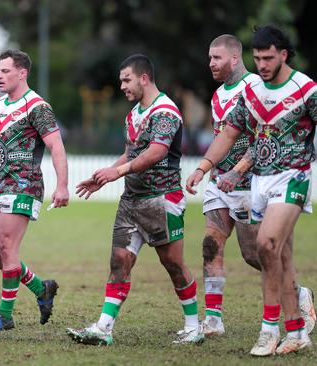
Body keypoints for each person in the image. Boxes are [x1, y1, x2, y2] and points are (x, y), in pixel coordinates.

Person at [186, 25, 316, 356]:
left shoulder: (306, 89)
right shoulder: (251, 94)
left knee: (265, 244)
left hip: (293, 177)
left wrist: (237, 170)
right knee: (276, 257)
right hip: (261, 183)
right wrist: (204, 167)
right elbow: (229, 133)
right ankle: (297, 330)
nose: (261, 64)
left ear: (284, 55)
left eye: (268, 58)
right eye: (257, 58)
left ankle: (268, 329)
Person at [67, 54, 203, 346]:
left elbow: (156, 152)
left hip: (162, 199)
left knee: (173, 264)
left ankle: (194, 326)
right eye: (120, 81)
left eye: (126, 80)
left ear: (144, 78)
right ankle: (104, 327)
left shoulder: (166, 110)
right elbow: (131, 153)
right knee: (119, 262)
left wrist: (117, 172)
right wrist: (106, 175)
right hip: (131, 201)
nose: (122, 86)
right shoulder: (133, 115)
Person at [0, 49, 69, 331]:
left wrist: (62, 185)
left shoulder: (37, 106)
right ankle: (42, 288)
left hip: (25, 185)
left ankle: (4, 315)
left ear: (22, 73)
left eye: (5, 71)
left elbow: (56, 146)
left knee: (7, 246)